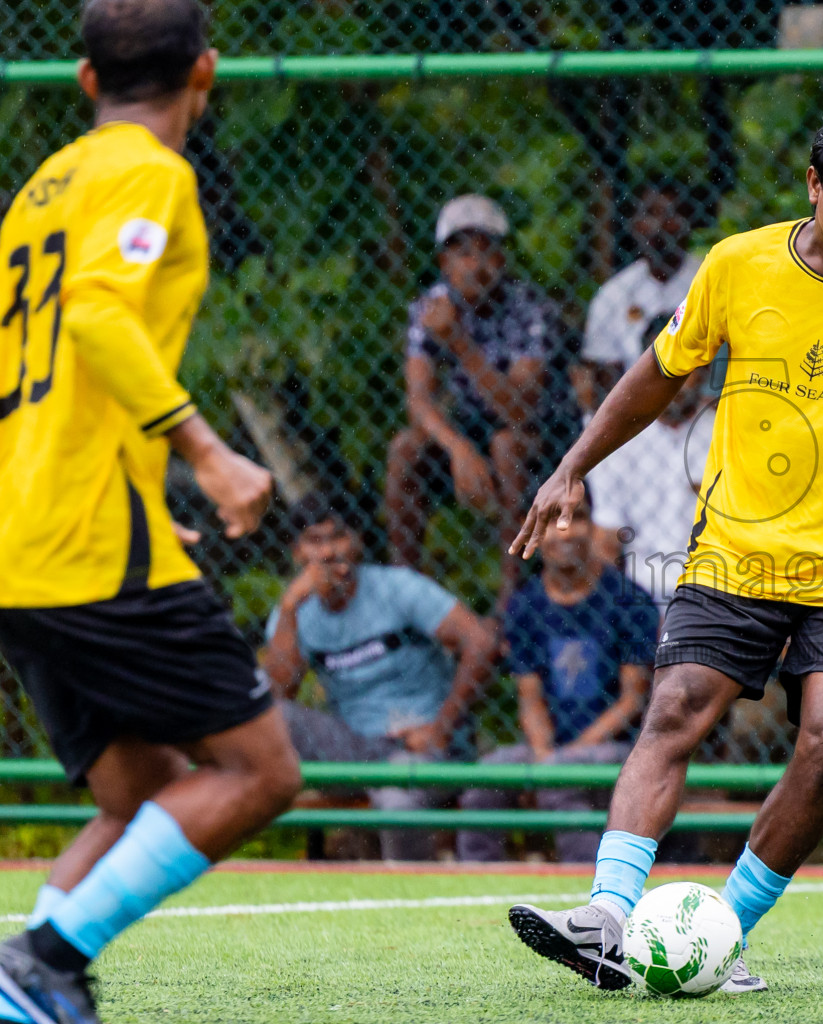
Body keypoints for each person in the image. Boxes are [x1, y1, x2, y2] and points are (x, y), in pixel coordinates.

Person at [504, 109, 823, 994]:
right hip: (734, 551)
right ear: (814, 186)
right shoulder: (739, 264)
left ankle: (722, 931)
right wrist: (570, 468)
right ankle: (606, 912)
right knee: (676, 709)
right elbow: (661, 371)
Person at [0, 4, 302, 1020]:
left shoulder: (40, 190)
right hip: (84, 540)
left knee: (135, 796)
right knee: (260, 770)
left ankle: (28, 991)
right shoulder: (151, 173)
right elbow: (93, 312)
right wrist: (209, 457)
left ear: (85, 78)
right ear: (204, 72)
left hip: (25, 532)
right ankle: (42, 956)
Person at [262, 496, 499, 861]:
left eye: (337, 537)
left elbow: (481, 642)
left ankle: (414, 900)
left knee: (395, 801)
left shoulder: (397, 587)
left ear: (355, 543)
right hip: (357, 750)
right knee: (272, 711)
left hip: (425, 746)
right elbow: (279, 691)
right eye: (314, 541)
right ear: (297, 553)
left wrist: (442, 727)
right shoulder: (292, 612)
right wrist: (291, 607)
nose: (327, 552)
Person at [458, 491, 658, 863]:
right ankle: (478, 886)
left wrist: (561, 760)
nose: (564, 533)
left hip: (618, 750)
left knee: (559, 782)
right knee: (486, 780)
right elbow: (529, 698)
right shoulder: (524, 605)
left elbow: (631, 701)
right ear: (533, 530)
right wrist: (545, 755)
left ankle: (585, 889)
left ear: (593, 526)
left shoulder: (630, 600)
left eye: (577, 518)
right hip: (548, 749)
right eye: (551, 521)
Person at [385, 193, 558, 600]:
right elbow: (419, 403)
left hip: (536, 435)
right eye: (461, 252)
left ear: (502, 259)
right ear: (444, 262)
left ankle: (509, 602)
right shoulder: (430, 306)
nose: (475, 266)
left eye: (486, 251)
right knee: (405, 449)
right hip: (463, 432)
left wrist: (459, 342)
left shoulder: (528, 308)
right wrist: (457, 448)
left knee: (505, 445)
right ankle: (410, 592)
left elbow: (519, 409)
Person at [586, 367, 714, 605]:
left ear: (704, 372)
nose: (676, 380)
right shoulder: (619, 439)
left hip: (712, 585)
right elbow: (606, 538)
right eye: (667, 369)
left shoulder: (724, 431)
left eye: (686, 369)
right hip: (640, 589)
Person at [576, 180, 701, 416]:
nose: (660, 225)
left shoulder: (711, 280)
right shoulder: (613, 294)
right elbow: (604, 381)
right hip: (635, 414)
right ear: (634, 225)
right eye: (650, 214)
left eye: (672, 214)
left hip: (699, 413)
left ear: (690, 222)